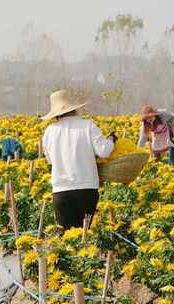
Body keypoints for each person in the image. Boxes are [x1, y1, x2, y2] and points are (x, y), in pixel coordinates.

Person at [41, 89, 116, 230]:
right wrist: (111, 139)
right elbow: (104, 151)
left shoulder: (50, 131)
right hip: (86, 189)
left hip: (61, 190)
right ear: (74, 109)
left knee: (68, 240)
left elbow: (50, 160)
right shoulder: (88, 126)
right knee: (85, 237)